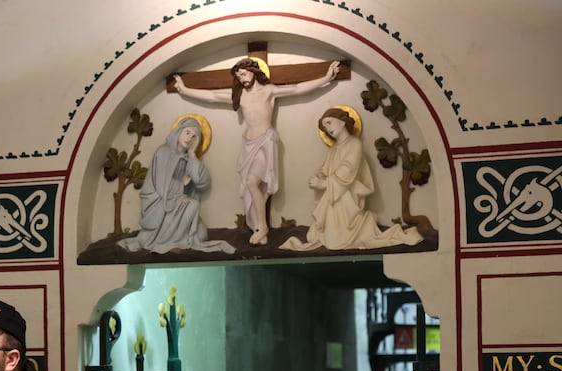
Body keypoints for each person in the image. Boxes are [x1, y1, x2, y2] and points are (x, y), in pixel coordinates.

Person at [174, 57, 341, 246]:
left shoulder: (268, 91)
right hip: (248, 144)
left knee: (252, 182)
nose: (242, 78)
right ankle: (259, 229)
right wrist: (185, 89)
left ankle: (262, 227)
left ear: (253, 72)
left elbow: (296, 89)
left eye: (244, 74)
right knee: (253, 190)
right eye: (239, 76)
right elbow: (212, 96)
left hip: (265, 142)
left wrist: (326, 78)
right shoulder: (240, 95)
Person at [281, 106, 423, 251]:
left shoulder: (355, 144)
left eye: (329, 122)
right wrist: (319, 176)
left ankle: (345, 233)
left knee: (335, 230)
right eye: (325, 127)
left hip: (347, 196)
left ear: (342, 122)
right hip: (334, 195)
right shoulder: (333, 150)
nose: (327, 129)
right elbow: (325, 168)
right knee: (315, 233)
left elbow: (348, 169)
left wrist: (325, 184)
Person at [118, 115, 234, 254]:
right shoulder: (163, 152)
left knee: (202, 234)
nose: (189, 138)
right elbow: (161, 185)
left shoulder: (188, 159)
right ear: (179, 131)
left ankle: (174, 240)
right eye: (187, 132)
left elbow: (203, 183)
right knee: (193, 205)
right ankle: (169, 243)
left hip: (176, 202)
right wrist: (181, 184)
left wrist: (192, 154)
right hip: (159, 203)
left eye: (194, 137)